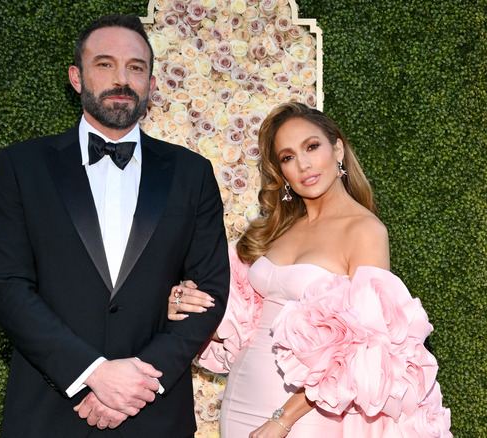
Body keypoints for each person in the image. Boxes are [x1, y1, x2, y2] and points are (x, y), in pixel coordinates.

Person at [0, 14, 230, 437]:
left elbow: (209, 292)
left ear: (151, 85)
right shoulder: (20, 167)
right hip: (48, 411)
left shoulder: (192, 173)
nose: (122, 78)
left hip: (155, 413)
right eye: (104, 63)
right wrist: (91, 372)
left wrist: (136, 384)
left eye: (136, 67)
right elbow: (6, 287)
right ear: (77, 77)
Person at [169, 102, 452, 437]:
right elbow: (245, 324)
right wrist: (191, 306)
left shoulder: (364, 231)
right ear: (281, 172)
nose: (303, 165)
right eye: (287, 157)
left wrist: (282, 419)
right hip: (242, 399)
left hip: (306, 415)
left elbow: (365, 349)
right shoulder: (276, 229)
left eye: (312, 147)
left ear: (337, 149)